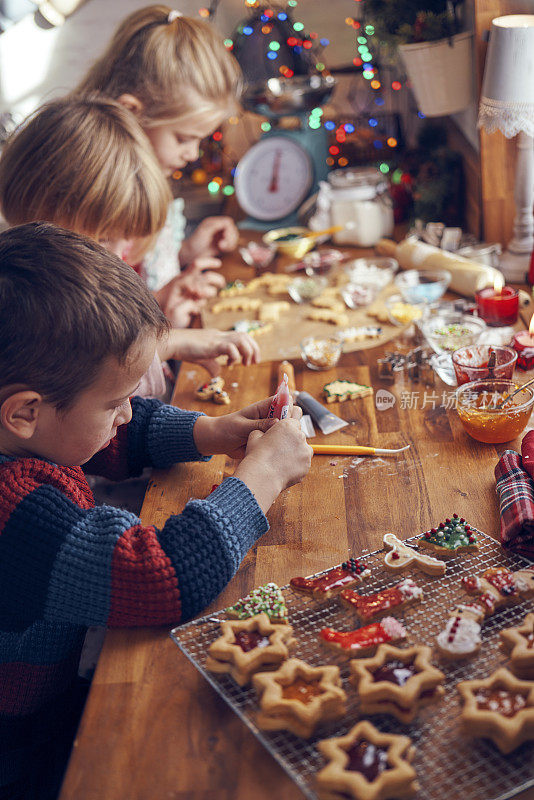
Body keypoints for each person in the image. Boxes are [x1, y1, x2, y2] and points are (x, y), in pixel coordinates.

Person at [0, 222, 312, 799]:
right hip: (25, 749)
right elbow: (157, 574)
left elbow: (122, 433)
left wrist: (214, 430)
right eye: (115, 400)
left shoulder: (37, 430)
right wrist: (262, 476)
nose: (126, 412)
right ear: (24, 412)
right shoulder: (12, 513)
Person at [0, 95, 260, 391]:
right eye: (106, 238)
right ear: (41, 216)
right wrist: (168, 341)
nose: (121, 254)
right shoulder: (27, 303)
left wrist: (160, 311)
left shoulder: (91, 264)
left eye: (127, 238)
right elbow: (93, 389)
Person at [75, 5, 243, 323]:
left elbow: (138, 268)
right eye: (183, 138)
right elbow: (90, 324)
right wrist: (158, 305)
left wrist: (185, 253)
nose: (193, 154)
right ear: (131, 113)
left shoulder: (144, 174)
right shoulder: (93, 201)